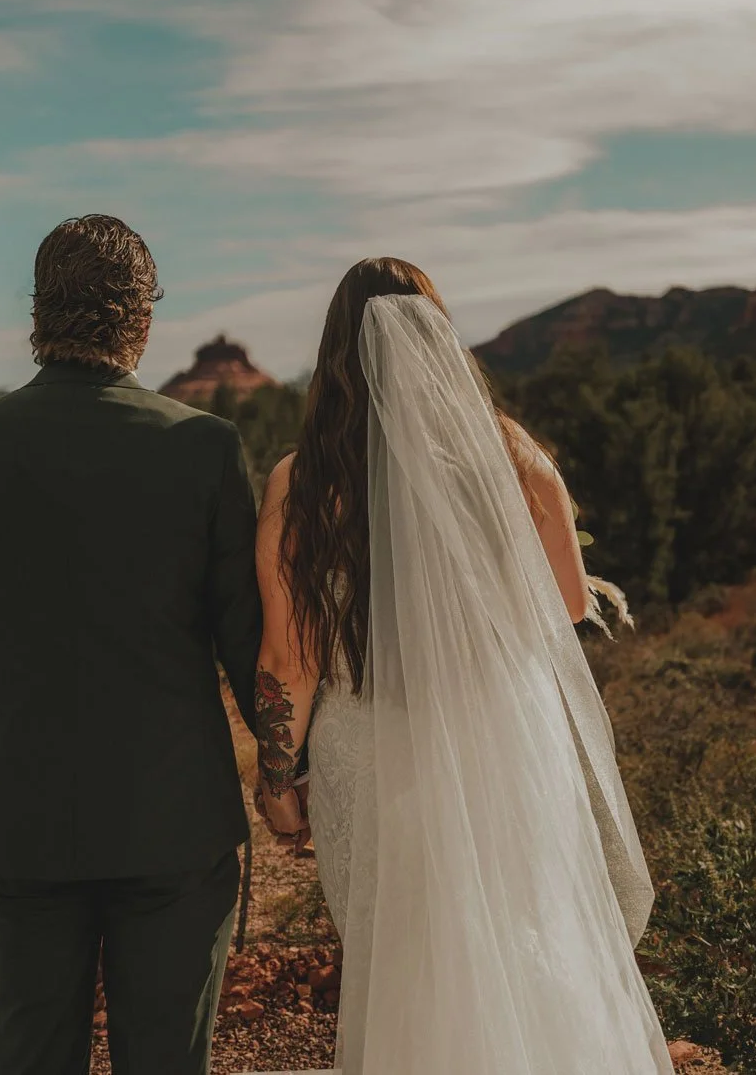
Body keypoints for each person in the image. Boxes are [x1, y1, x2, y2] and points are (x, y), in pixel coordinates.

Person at [252, 258, 674, 1074]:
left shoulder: (303, 483)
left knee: (407, 950)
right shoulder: (518, 462)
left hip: (374, 751)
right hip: (505, 741)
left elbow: (289, 657)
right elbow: (570, 608)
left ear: (335, 353)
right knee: (530, 932)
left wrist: (276, 781)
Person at [0, 215, 264, 1075]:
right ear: (141, 318)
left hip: (21, 814)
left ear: (38, 314)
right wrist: (291, 772)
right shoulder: (204, 448)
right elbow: (245, 636)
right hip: (175, 819)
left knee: (31, 1053)